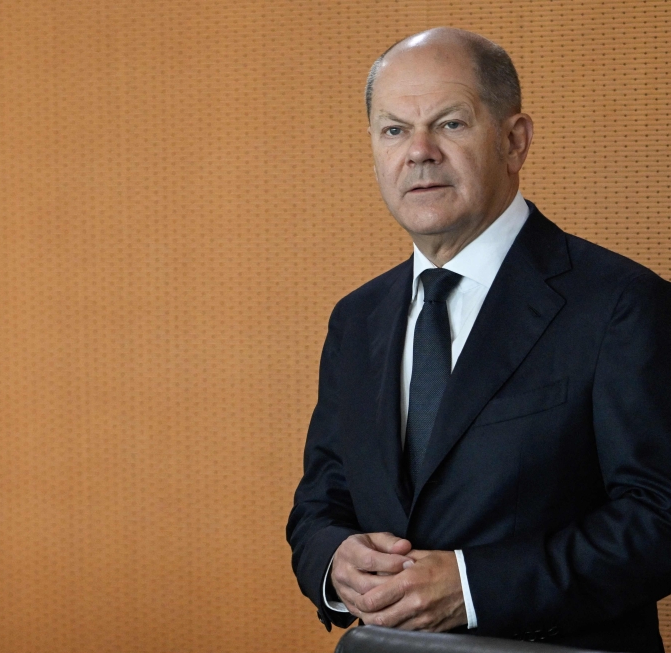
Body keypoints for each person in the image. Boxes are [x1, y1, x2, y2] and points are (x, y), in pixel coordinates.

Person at [286, 27, 671, 653]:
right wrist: (334, 562)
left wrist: (474, 587)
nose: (419, 152)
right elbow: (319, 504)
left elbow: (660, 516)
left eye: (450, 123)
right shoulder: (356, 320)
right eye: (394, 130)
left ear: (514, 140)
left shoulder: (621, 303)